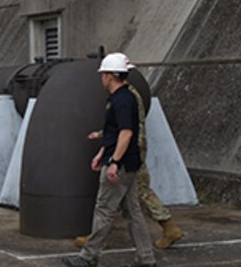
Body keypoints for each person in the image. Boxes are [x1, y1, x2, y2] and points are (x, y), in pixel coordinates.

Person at [63, 53, 157, 267]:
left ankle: (88, 258)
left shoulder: (121, 100)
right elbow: (115, 134)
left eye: (103, 74)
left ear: (110, 76)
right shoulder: (125, 98)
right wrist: (102, 152)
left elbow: (126, 133)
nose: (101, 78)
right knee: (133, 212)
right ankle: (146, 259)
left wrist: (114, 161)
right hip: (128, 163)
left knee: (104, 210)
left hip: (120, 165)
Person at [75, 82, 183, 250]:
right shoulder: (128, 95)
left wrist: (111, 151)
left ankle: (167, 229)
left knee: (131, 193)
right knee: (122, 195)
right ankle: (165, 231)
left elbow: (127, 127)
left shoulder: (126, 97)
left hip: (130, 151)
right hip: (132, 149)